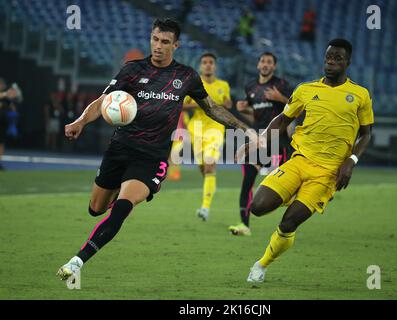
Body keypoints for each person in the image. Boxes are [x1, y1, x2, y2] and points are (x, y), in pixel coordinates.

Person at [57, 18, 253, 281]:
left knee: (122, 208)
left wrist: (246, 129)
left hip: (152, 157)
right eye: (155, 39)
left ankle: (77, 261)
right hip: (120, 148)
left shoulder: (185, 76)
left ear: (176, 45)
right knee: (95, 208)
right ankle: (119, 191)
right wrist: (81, 121)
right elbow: (103, 100)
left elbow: (212, 108)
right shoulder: (131, 70)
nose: (158, 46)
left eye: (164, 42)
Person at [240, 39, 374, 282]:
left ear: (348, 62)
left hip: (327, 173)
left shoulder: (360, 95)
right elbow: (282, 119)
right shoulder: (305, 90)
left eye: (337, 58)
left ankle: (261, 265)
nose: (331, 62)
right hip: (299, 161)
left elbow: (366, 133)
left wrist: (351, 161)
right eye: (328, 57)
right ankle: (291, 193)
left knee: (289, 222)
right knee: (257, 207)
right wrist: (259, 141)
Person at [228, 52, 293, 236]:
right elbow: (254, 115)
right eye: (263, 61)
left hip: (278, 140)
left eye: (269, 62)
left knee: (282, 186)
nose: (265, 64)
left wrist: (280, 98)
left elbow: (299, 106)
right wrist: (244, 110)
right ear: (258, 65)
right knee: (247, 180)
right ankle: (244, 225)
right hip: (259, 139)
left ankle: (287, 227)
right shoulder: (250, 86)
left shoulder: (281, 85)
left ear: (274, 66)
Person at [183, 53, 232, 221]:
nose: (208, 65)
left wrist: (227, 105)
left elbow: (227, 103)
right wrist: (200, 103)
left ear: (215, 66)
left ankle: (205, 207)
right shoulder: (194, 84)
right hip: (196, 130)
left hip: (216, 129)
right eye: (204, 62)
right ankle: (209, 188)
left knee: (210, 165)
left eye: (211, 62)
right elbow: (182, 105)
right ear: (200, 66)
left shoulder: (223, 85)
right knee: (204, 169)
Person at [0, 78, 21, 170]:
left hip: (2, 122)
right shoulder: (4, 94)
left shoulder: (6, 98)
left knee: (1, 143)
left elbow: (16, 103)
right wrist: (6, 94)